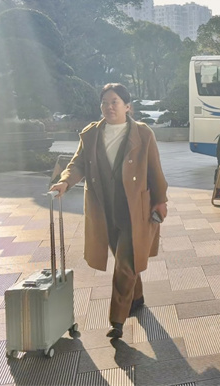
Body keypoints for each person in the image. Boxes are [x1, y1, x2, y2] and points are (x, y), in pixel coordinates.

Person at [49, 83, 168, 339]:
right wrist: (65, 182)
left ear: (128, 106)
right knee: (126, 259)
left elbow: (155, 170)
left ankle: (117, 320)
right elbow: (78, 163)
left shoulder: (142, 133)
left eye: (114, 102)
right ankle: (136, 298)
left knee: (125, 264)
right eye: (105, 102)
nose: (109, 107)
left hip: (134, 210)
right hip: (103, 209)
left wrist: (161, 200)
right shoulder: (91, 133)